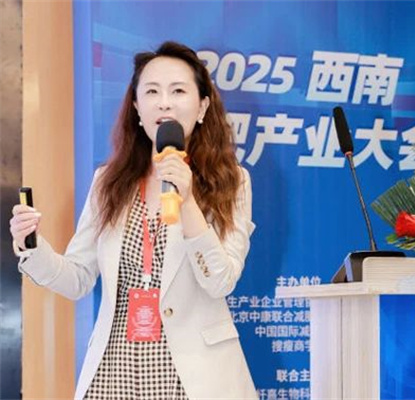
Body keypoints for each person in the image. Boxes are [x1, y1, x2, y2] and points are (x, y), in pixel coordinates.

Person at [10, 41, 257, 399]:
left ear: (203, 106)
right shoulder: (109, 182)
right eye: (152, 91)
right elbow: (77, 278)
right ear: (137, 108)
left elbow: (220, 281)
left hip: (192, 377)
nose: (164, 102)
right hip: (115, 372)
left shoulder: (233, 182)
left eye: (178, 91)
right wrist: (31, 245)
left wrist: (187, 201)